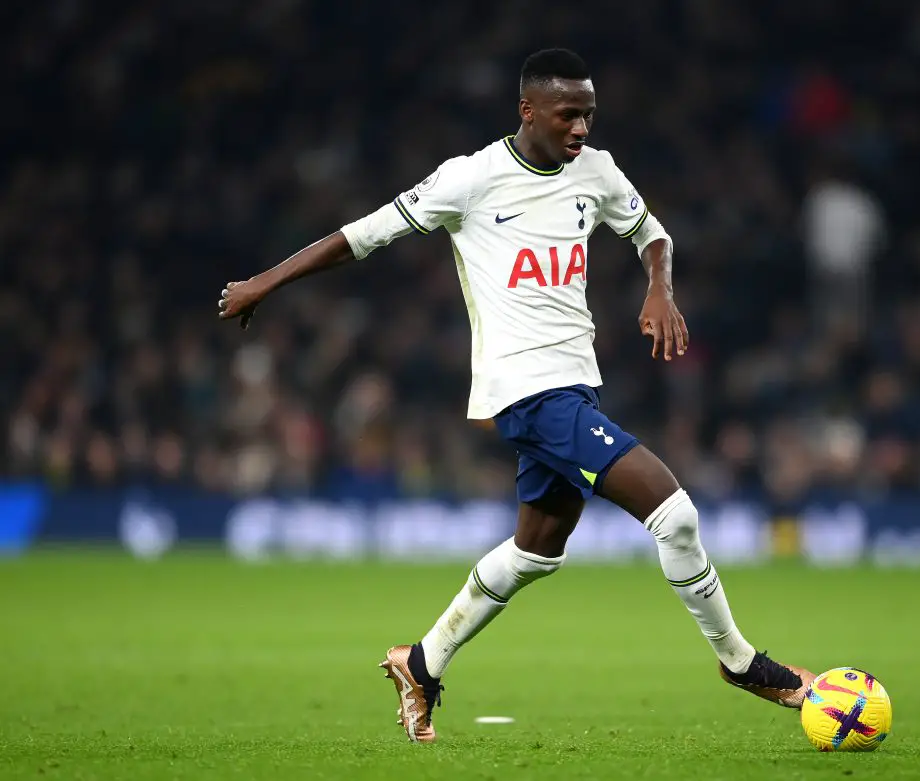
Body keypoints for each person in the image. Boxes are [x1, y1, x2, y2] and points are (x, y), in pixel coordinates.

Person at [218, 48, 813, 743]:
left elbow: (652, 233)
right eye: (568, 114)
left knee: (538, 548)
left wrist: (660, 286)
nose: (581, 128)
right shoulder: (470, 180)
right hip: (527, 392)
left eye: (589, 113)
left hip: (574, 384)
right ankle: (740, 661)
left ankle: (421, 659)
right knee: (674, 513)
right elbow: (363, 236)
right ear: (527, 110)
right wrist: (265, 281)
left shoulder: (598, 170)